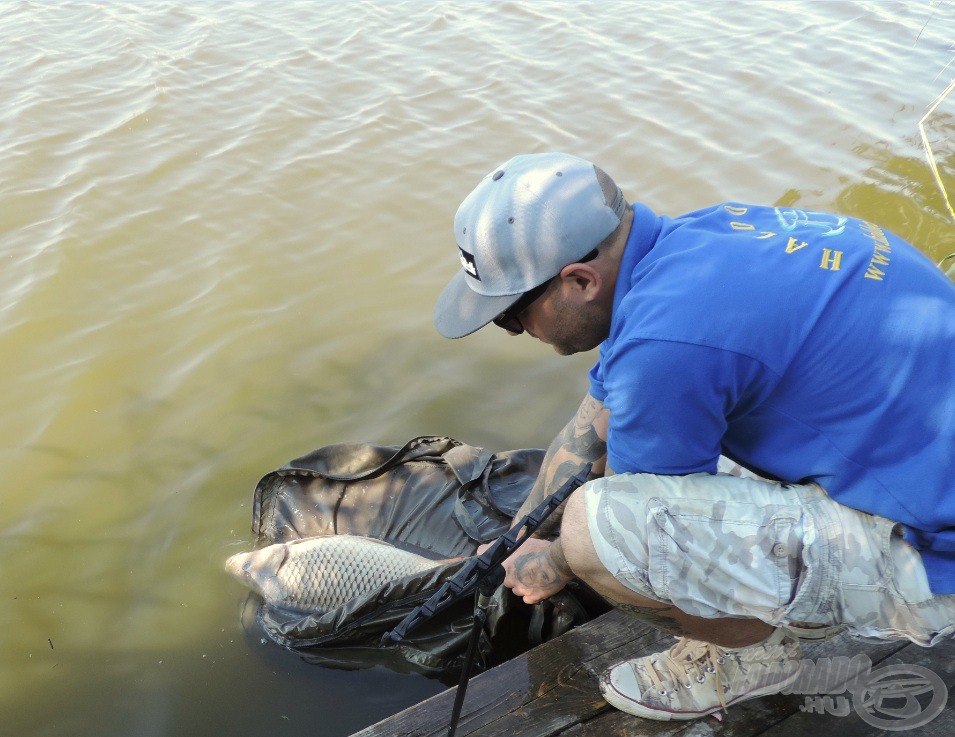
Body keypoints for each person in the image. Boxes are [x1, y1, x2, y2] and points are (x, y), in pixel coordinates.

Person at [432, 152, 955, 721]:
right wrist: (515, 538)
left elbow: (632, 518)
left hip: (933, 558)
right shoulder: (701, 239)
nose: (515, 331)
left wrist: (553, 560)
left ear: (580, 280)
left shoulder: (665, 346)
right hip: (918, 461)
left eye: (512, 316)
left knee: (597, 532)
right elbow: (595, 424)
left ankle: (751, 655)